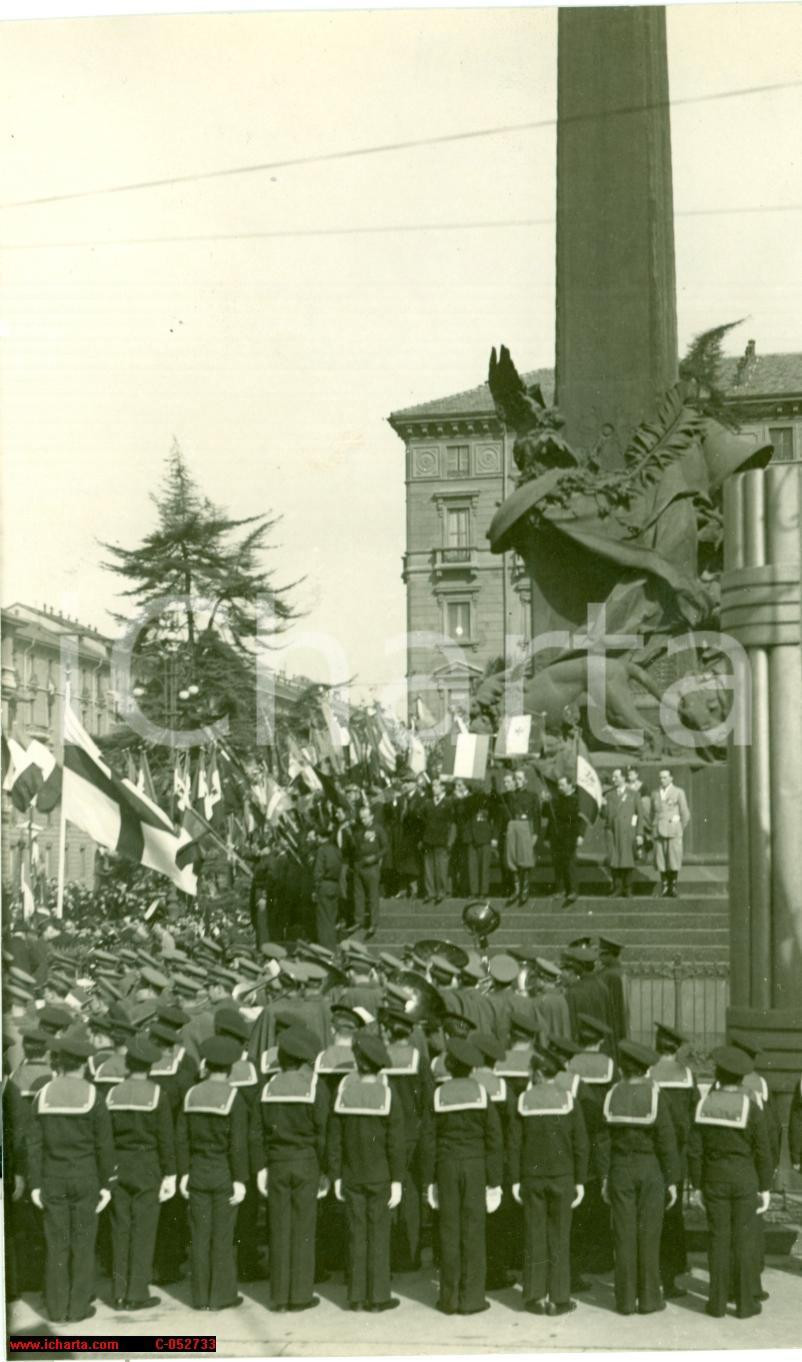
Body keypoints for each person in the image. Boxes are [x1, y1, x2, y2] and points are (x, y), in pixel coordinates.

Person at [27, 1035, 116, 1324]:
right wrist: (105, 1184)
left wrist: (36, 1183)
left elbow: (34, 1144)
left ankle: (55, 1307)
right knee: (83, 1242)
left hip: (52, 1177)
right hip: (86, 1177)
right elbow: (104, 1145)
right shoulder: (93, 1096)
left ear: (60, 1063)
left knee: (56, 1243)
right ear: (84, 1064)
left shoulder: (44, 1094)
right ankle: (78, 1307)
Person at [687, 1045, 773, 1319]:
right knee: (744, 1240)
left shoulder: (704, 1104)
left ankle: (717, 1302)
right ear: (740, 1078)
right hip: (745, 1179)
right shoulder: (750, 1106)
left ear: (718, 1075)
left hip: (714, 1180)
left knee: (718, 1239)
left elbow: (695, 1149)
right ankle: (747, 1303)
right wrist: (765, 1187)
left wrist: (697, 1185)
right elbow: (763, 1150)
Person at [421, 1037, 504, 1316]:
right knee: (473, 1231)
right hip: (475, 1166)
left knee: (448, 1230)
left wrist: (428, 1180)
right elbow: (494, 1139)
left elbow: (428, 1141)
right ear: (471, 1069)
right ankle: (472, 1299)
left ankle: (449, 1298)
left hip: (446, 1166)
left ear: (450, 1065)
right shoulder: (482, 1094)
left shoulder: (438, 1094)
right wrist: (494, 1181)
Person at [597, 1039, 679, 1316]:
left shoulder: (612, 1095)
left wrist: (605, 1175)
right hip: (650, 1169)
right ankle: (648, 1299)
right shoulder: (655, 1095)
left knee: (623, 1235)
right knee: (649, 1234)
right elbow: (667, 1140)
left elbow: (603, 1140)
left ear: (623, 1068)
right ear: (645, 1068)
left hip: (620, 1169)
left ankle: (624, 1300)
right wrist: (672, 1180)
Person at [252, 1026, 330, 1312]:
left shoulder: (268, 1087)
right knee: (304, 1229)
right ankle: (300, 1295)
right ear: (302, 1059)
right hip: (306, 1161)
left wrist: (261, 1165)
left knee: (279, 1228)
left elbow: (256, 1132)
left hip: (276, 1162)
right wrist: (325, 1168)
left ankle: (279, 1296)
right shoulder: (314, 1087)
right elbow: (323, 1132)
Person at [326, 1029, 405, 1311]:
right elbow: (396, 1143)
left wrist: (335, 1174)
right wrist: (397, 1179)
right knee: (379, 1236)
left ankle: (356, 1296)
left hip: (351, 1175)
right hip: (380, 1176)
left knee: (356, 1235)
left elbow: (334, 1139)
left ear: (358, 1062)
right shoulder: (387, 1094)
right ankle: (379, 1296)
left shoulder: (343, 1093)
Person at [508, 1045, 589, 1315]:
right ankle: (559, 1298)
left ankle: (534, 1297)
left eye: (532, 1070)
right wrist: (579, 1179)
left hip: (532, 1178)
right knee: (560, 1236)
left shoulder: (523, 1100)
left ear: (540, 1073)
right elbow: (581, 1144)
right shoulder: (569, 1100)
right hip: (563, 1177)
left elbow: (515, 1144)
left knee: (534, 1235)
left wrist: (516, 1179)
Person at [176, 1035, 249, 1312]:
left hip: (197, 1170)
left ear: (206, 1065)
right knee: (222, 1235)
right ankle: (221, 1295)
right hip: (223, 1172)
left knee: (199, 1233)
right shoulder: (234, 1097)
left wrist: (183, 1172)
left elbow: (181, 1137)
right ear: (229, 1068)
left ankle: (200, 1296)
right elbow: (238, 1144)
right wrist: (240, 1180)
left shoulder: (192, 1094)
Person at [105, 1035, 176, 1310]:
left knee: (120, 1229)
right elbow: (165, 1138)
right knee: (144, 1230)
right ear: (150, 1067)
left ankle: (119, 1292)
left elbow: (107, 1136)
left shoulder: (112, 1094)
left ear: (128, 1063)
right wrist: (170, 1173)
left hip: (119, 1163)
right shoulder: (158, 1094)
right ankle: (137, 1292)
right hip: (147, 1164)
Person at [347, 804, 389, 939]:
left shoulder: (378, 829)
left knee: (372, 895)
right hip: (359, 864)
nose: (363, 820)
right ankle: (358, 921)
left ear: (371, 816)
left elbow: (386, 847)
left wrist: (376, 857)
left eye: (365, 817)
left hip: (371, 866)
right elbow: (354, 846)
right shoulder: (358, 829)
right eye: (361, 818)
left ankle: (373, 923)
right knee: (358, 894)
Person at [502, 768, 541, 907]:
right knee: (512, 858)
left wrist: (535, 833)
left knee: (525, 859)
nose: (517, 781)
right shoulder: (509, 796)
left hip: (526, 827)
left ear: (525, 781)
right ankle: (516, 889)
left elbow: (536, 816)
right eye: (515, 779)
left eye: (519, 779)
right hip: (513, 827)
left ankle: (525, 890)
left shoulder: (532, 796)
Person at [650, 769, 690, 898]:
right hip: (658, 831)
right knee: (661, 860)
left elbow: (685, 813)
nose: (662, 780)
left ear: (671, 778)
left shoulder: (678, 792)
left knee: (673, 859)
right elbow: (652, 813)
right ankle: (664, 886)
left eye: (665, 777)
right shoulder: (655, 793)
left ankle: (673, 887)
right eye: (660, 778)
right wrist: (654, 826)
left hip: (673, 831)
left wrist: (679, 828)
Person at [603, 768, 643, 897]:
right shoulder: (609, 795)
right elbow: (604, 816)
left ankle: (628, 888)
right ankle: (617, 887)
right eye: (613, 777)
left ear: (624, 778)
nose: (613, 779)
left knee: (628, 859)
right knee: (614, 860)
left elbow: (639, 815)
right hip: (613, 832)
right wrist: (602, 806)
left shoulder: (634, 794)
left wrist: (639, 833)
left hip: (628, 832)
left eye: (616, 777)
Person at [547, 775, 585, 907]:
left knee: (570, 862)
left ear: (570, 785)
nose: (559, 787)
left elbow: (581, 819)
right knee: (558, 863)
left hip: (570, 835)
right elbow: (550, 817)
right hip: (557, 836)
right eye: (558, 785)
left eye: (562, 785)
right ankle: (560, 889)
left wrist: (580, 835)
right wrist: (546, 802)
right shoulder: (557, 800)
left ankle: (573, 890)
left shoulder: (576, 800)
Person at [420, 778, 455, 905]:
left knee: (441, 866)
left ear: (442, 788)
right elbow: (420, 816)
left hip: (442, 840)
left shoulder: (448, 802)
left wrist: (450, 840)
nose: (433, 788)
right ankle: (430, 892)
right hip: (429, 839)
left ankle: (441, 892)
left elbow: (452, 822)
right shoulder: (428, 803)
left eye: (436, 786)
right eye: (432, 786)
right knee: (428, 867)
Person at [312, 823, 343, 951]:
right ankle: (332, 948)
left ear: (320, 837)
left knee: (323, 920)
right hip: (335, 885)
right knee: (331, 919)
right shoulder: (336, 849)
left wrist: (315, 888)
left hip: (323, 886)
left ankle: (325, 950)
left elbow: (318, 871)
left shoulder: (321, 850)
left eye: (317, 837)